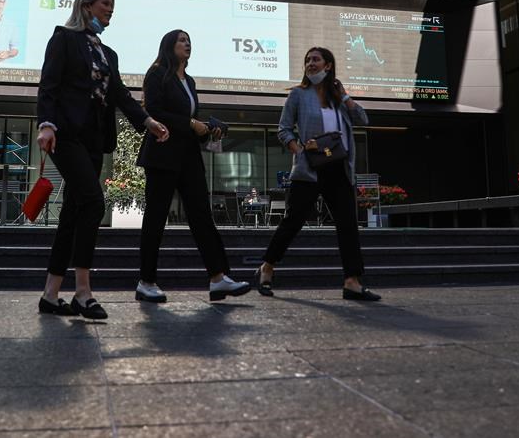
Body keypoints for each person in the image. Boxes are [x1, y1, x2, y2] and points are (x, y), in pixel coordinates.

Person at [36, 0, 169, 320]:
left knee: (72, 215)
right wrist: (47, 124)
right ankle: (83, 292)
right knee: (94, 202)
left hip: (95, 140)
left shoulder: (109, 54)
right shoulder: (63, 39)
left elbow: (121, 96)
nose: (110, 9)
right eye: (105, 3)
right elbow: (49, 84)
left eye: (113, 5)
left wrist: (148, 121)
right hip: (66, 135)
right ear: (86, 5)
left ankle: (50, 295)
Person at [135, 30, 251, 303]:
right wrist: (189, 124)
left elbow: (189, 118)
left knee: (202, 215)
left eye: (189, 41)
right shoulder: (157, 74)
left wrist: (207, 130)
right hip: (162, 156)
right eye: (181, 40)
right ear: (169, 46)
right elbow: (153, 111)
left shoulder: (189, 81)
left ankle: (218, 278)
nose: (187, 44)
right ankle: (146, 281)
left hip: (188, 156)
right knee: (156, 218)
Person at [256, 47, 380, 301]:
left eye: (316, 59)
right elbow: (283, 129)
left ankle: (352, 281)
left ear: (328, 66)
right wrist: (299, 149)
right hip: (310, 168)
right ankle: (267, 266)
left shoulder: (338, 99)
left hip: (339, 167)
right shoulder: (298, 96)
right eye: (307, 60)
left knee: (347, 224)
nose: (310, 64)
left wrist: (344, 96)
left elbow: (363, 119)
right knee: (293, 221)